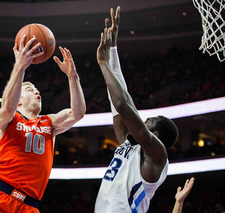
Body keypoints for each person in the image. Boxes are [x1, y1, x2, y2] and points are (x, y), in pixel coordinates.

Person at [0, 34, 86, 213]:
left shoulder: (49, 123)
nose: (37, 93)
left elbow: (78, 113)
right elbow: (7, 105)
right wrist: (20, 66)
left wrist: (72, 77)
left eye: (38, 91)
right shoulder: (8, 119)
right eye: (30, 90)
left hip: (29, 207)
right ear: (19, 100)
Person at [95, 6, 179, 213]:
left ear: (156, 135)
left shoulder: (157, 155)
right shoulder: (129, 145)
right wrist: (112, 50)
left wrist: (103, 64)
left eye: (148, 121)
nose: (143, 120)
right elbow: (119, 104)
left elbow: (124, 105)